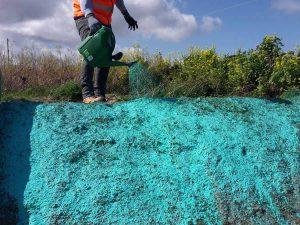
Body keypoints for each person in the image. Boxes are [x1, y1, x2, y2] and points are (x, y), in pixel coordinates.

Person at [73, 0, 138, 103]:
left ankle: (100, 95)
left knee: (105, 53)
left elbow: (118, 1)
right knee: (91, 49)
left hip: (104, 20)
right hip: (85, 15)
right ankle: (87, 94)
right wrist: (89, 15)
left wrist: (126, 15)